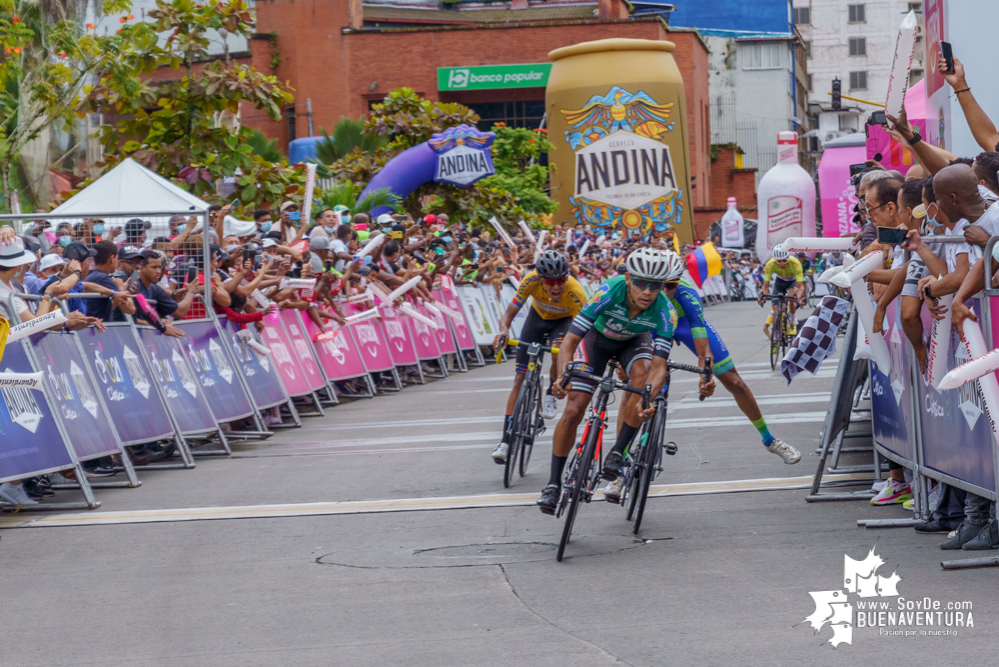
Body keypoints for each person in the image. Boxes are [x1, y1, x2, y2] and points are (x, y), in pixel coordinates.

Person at [606, 251, 801, 500]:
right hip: (651, 325)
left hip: (684, 322)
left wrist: (705, 374)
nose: (663, 293)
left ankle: (769, 439)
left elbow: (703, 347)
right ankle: (620, 464)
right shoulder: (640, 294)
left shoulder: (687, 296)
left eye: (670, 286)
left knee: (735, 382)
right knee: (635, 390)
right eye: (658, 286)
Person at [537, 248, 678, 515]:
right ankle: (553, 484)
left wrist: (648, 397)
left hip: (633, 343)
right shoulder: (608, 291)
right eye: (641, 283)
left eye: (655, 285)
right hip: (596, 341)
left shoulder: (666, 312)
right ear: (628, 279)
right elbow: (570, 340)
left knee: (643, 375)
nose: (647, 291)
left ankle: (617, 452)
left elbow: (659, 367)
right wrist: (562, 375)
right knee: (574, 409)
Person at [490, 251, 586, 465]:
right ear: (540, 278)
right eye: (550, 282)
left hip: (562, 323)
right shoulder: (530, 280)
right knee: (519, 379)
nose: (555, 287)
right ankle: (505, 441)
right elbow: (507, 315)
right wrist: (504, 331)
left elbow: (582, 333)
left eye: (560, 281)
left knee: (558, 350)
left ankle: (552, 389)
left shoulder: (576, 292)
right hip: (537, 319)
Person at [83, 240, 137, 322]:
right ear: (112, 259)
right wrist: (121, 289)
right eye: (116, 258)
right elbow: (130, 309)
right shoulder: (102, 278)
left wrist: (124, 291)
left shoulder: (89, 276)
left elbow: (102, 308)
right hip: (99, 331)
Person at [759, 246, 805, 339]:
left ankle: (792, 323)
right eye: (779, 261)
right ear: (775, 260)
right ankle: (775, 338)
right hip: (780, 282)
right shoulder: (770, 264)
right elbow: (766, 285)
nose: (782, 263)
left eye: (784, 260)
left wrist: (797, 300)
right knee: (775, 310)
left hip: (793, 281)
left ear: (788, 258)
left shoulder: (795, 263)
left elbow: (801, 286)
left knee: (790, 297)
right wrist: (764, 296)